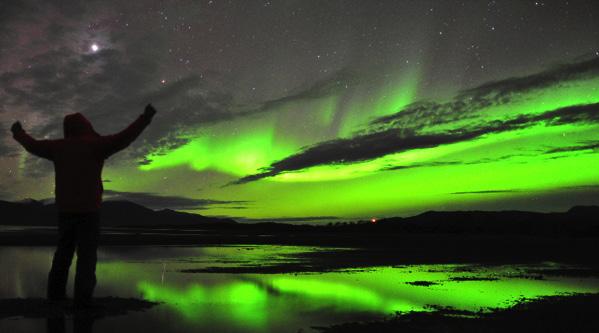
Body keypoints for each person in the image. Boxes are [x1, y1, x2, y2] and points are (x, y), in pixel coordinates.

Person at [11, 104, 157, 307]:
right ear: (86, 126)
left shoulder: (58, 147)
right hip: (89, 211)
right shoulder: (96, 145)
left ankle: (55, 299)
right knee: (86, 260)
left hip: (65, 211)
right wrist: (145, 119)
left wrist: (19, 133)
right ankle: (82, 302)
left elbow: (33, 145)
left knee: (62, 257)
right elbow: (124, 137)